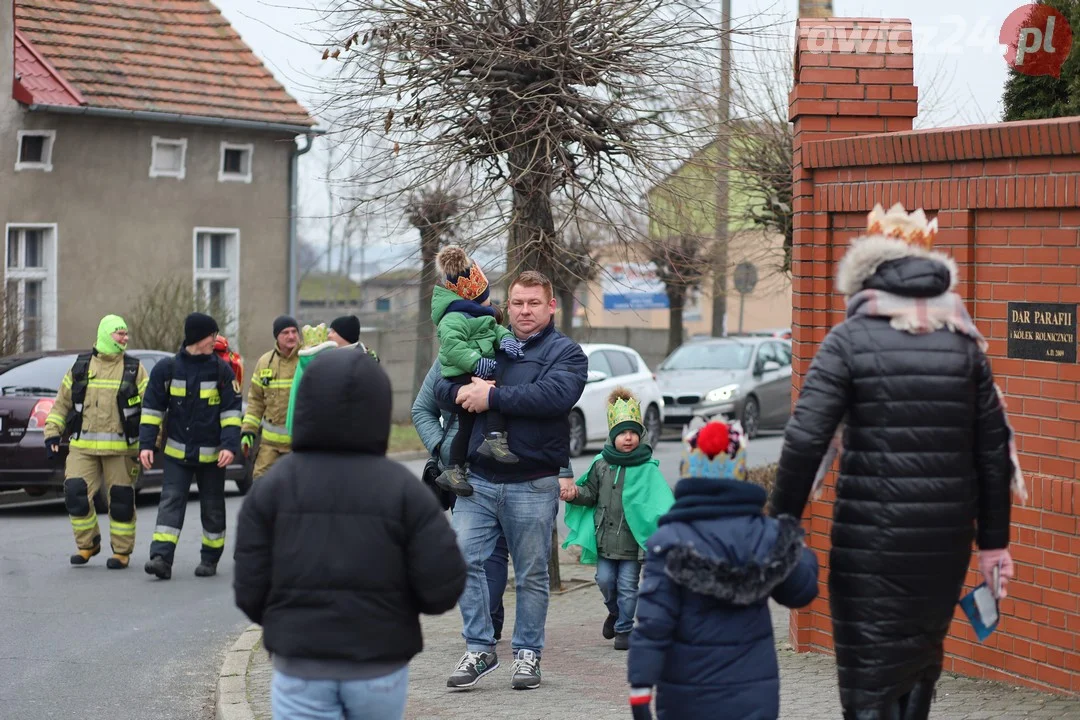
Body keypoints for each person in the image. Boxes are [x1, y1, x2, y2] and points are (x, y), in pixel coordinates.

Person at [769, 203, 1019, 720]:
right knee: (920, 660)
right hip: (945, 541)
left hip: (870, 539)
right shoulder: (965, 345)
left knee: (869, 676)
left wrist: (782, 522)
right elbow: (992, 453)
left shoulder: (850, 339)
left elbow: (805, 438)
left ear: (866, 273)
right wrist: (993, 546)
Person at [234, 346, 466, 720]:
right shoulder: (404, 492)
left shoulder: (272, 488)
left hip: (300, 664)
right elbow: (443, 586)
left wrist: (285, 623)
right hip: (379, 665)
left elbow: (249, 588)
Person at [434, 270, 587, 691]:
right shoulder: (486, 338)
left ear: (551, 306)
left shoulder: (567, 353)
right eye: (517, 302)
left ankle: (527, 655)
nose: (524, 311)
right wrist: (464, 391)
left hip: (533, 483)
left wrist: (491, 396)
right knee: (464, 561)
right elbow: (443, 386)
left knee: (533, 574)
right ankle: (481, 648)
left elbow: (553, 396)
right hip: (477, 481)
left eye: (534, 303)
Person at [627, 419, 819, 720]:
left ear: (687, 471)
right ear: (740, 472)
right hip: (754, 696)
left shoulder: (669, 541)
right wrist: (796, 547)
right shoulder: (765, 534)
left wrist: (640, 690)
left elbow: (653, 625)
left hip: (685, 699)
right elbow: (800, 591)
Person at [562, 387, 674, 651]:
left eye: (633, 432)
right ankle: (614, 613)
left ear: (640, 435)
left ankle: (624, 628)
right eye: (622, 433)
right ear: (613, 436)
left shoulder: (647, 468)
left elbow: (661, 503)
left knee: (627, 586)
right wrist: (574, 493)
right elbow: (589, 493)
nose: (628, 438)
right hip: (604, 540)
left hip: (632, 544)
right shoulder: (601, 464)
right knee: (604, 580)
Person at [140, 312, 243, 580]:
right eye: (213, 335)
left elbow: (231, 413)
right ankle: (161, 558)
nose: (216, 340)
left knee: (212, 507)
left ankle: (209, 559)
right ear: (199, 337)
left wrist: (229, 446)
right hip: (176, 454)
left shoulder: (222, 370)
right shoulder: (167, 369)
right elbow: (151, 410)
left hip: (212, 457)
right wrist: (146, 445)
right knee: (171, 502)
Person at [44, 314, 148, 568]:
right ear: (105, 334)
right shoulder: (81, 367)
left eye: (126, 334)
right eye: (119, 333)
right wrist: (52, 433)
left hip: (122, 448)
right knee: (75, 494)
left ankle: (121, 552)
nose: (125, 338)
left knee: (121, 501)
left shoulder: (134, 368)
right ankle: (88, 544)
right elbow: (61, 404)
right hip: (84, 446)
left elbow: (151, 409)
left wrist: (150, 441)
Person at [431, 245, 524, 498]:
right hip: (461, 372)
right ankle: (494, 438)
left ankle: (453, 469)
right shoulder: (454, 318)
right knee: (493, 393)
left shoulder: (479, 315)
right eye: (485, 296)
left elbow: (494, 330)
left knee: (466, 426)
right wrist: (475, 362)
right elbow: (452, 347)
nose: (489, 301)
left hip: (470, 368)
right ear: (470, 296)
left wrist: (506, 339)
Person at [241, 316, 300, 481]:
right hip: (269, 447)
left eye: (294, 331)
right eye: (285, 332)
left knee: (297, 492)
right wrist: (248, 432)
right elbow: (255, 402)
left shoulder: (306, 359)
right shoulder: (265, 363)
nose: (291, 336)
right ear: (277, 337)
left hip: (299, 445)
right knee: (261, 487)